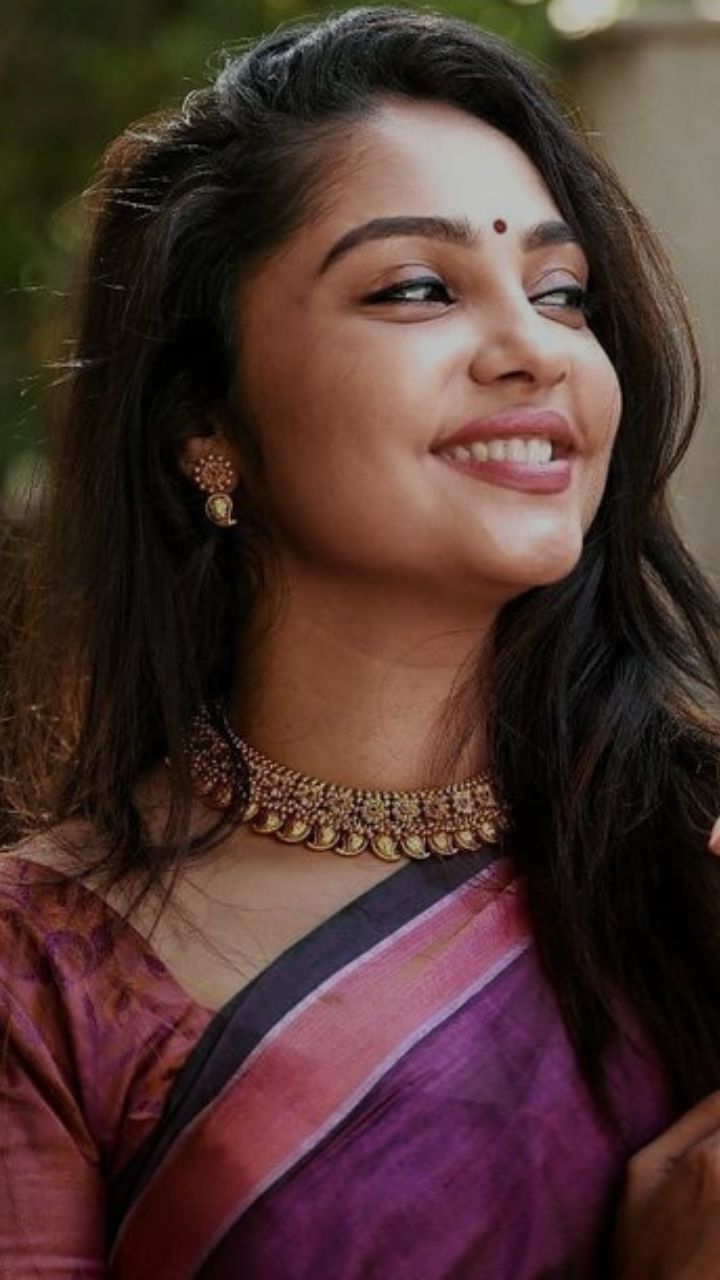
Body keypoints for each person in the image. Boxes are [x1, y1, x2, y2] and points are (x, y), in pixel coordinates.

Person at [1, 5, 720, 1276]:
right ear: (205, 421)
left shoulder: (688, 856)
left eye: (562, 293)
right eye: (415, 289)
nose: (534, 349)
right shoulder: (47, 972)